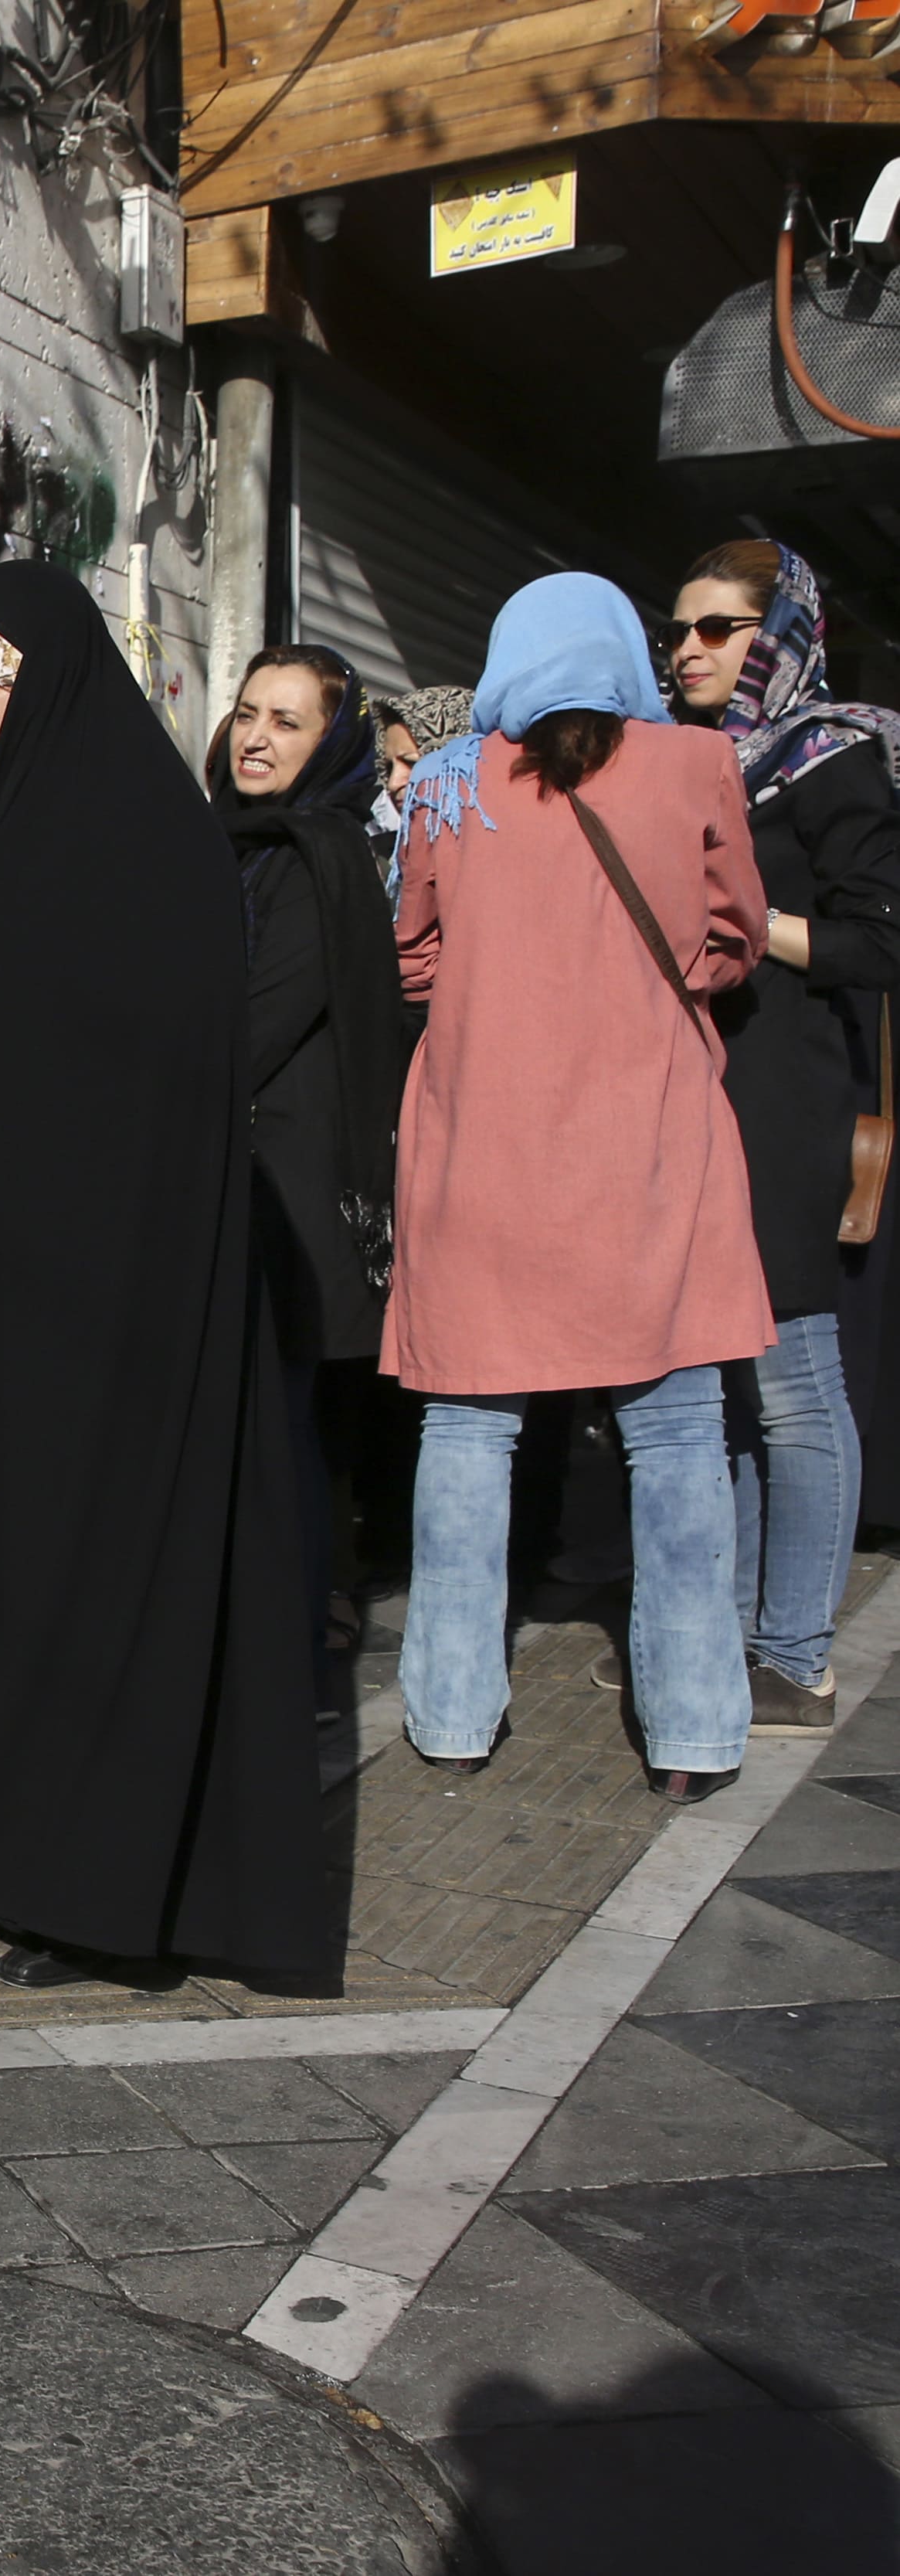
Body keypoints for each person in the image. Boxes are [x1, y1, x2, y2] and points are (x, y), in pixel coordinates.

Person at [0, 563, 330, 1990]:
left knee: (97, 1574)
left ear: (46, 678)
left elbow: (145, 1081)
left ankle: (103, 1888)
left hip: (107, 1315)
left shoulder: (149, 848)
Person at [391, 573, 771, 1802]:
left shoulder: (451, 781)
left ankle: (451, 1716)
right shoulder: (696, 764)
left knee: (467, 1428)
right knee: (673, 1437)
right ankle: (698, 1731)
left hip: (482, 1150)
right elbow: (733, 934)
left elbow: (413, 956)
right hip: (647, 1148)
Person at [664, 540, 900, 1737]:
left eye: (718, 629)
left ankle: (797, 1651)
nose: (689, 650)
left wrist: (752, 923)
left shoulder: (832, 755)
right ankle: (740, 1634)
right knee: (730, 1390)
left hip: (786, 1101)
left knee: (797, 1383)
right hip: (694, 1099)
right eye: (682, 630)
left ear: (784, 634)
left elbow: (877, 942)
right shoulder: (674, 761)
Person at [211, 645, 413, 1706]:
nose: (255, 736)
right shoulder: (241, 846)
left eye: (287, 722)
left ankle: (284, 1668)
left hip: (285, 1199)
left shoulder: (307, 857)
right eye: (247, 712)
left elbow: (246, 1028)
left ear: (330, 740)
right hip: (256, 1186)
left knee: (279, 1435)